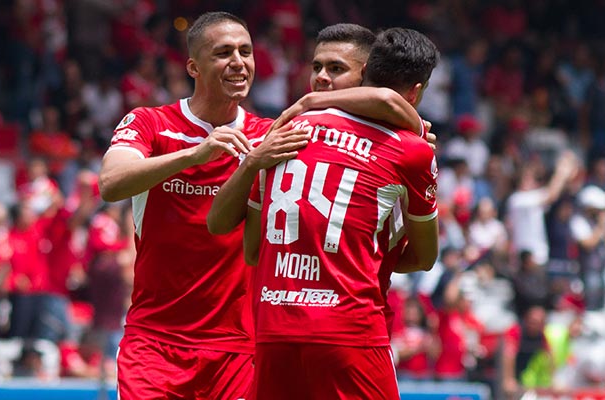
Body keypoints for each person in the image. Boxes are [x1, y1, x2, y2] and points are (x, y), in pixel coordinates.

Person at [99, 13, 421, 399]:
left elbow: (382, 111)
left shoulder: (273, 135)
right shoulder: (151, 123)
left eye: (245, 51)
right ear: (193, 66)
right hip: (155, 344)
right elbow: (111, 183)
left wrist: (415, 137)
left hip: (241, 348)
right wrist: (193, 155)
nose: (238, 61)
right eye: (223, 52)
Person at [238, 27, 440, 399]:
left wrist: (304, 105)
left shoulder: (281, 132)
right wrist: (371, 253)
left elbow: (251, 249)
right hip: (351, 329)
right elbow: (426, 257)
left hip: (272, 327)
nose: (321, 78)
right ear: (416, 92)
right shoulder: (410, 148)